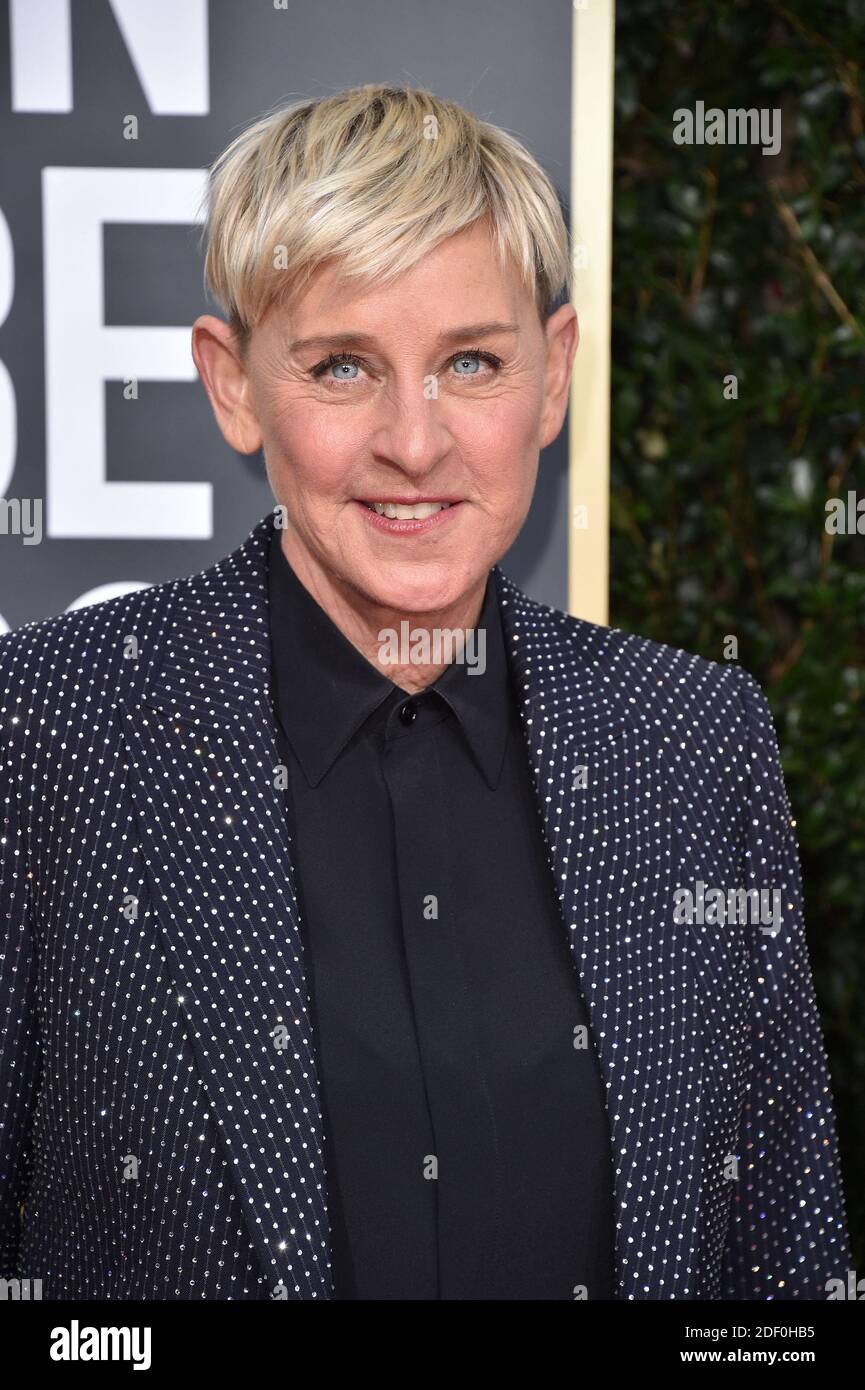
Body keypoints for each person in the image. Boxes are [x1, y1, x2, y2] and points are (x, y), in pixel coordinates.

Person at [0, 84, 848, 1300]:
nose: (415, 438)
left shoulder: (691, 742)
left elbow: (783, 1265)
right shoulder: (48, 726)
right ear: (233, 383)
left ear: (552, 375)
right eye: (344, 366)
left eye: (471, 361)